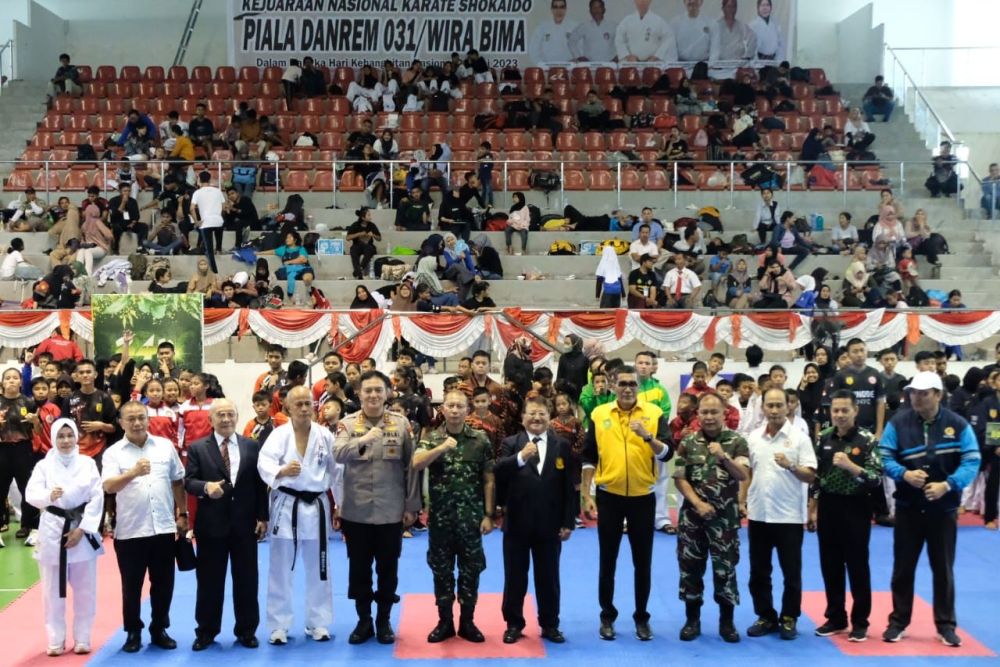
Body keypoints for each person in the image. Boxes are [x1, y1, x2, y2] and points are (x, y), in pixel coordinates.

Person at [880, 372, 981, 647]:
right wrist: (903, 474)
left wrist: (947, 485)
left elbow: (972, 460)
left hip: (944, 509)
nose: (916, 397)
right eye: (913, 392)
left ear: (938, 395)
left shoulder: (958, 424)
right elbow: (884, 455)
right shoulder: (898, 422)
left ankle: (946, 625)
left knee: (943, 568)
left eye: (923, 393)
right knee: (903, 568)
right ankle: (898, 622)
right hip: (908, 507)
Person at [581, 365, 673, 641]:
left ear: (638, 386)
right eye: (622, 383)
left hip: (643, 499)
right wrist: (586, 494)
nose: (628, 388)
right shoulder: (598, 414)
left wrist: (648, 436)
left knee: (642, 563)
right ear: (612, 385)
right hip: (609, 497)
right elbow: (589, 457)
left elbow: (668, 454)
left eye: (633, 383)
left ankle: (642, 618)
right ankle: (606, 617)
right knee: (607, 562)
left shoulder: (654, 414)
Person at [333, 371, 421, 645]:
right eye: (367, 390)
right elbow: (338, 453)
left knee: (387, 569)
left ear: (388, 393)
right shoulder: (347, 424)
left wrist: (412, 506)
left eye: (378, 390)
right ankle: (363, 621)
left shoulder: (400, 423)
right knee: (358, 569)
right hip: (356, 512)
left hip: (390, 511)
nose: (373, 395)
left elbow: (412, 467)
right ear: (358, 394)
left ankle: (383, 620)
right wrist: (364, 439)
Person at [101, 401, 187, 653]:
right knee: (132, 585)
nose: (137, 423)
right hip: (130, 530)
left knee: (163, 584)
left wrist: (183, 513)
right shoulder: (113, 452)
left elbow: (177, 481)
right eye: (131, 419)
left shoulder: (164, 446)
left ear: (148, 419)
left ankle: (159, 628)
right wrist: (133, 473)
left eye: (141, 417)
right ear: (121, 422)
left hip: (162, 527)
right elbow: (109, 486)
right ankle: (133, 631)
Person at [256, 386, 339, 645]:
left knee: (320, 568)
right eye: (299, 404)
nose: (304, 408)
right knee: (280, 569)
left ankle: (319, 622)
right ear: (287, 407)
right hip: (286, 505)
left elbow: (337, 472)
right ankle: (278, 625)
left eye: (308, 403)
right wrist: (280, 471)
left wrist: (341, 505)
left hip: (317, 505)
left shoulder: (325, 435)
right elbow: (263, 462)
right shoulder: (278, 435)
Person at [185, 400, 268, 650]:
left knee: (247, 579)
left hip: (245, 524)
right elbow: (189, 481)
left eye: (230, 414)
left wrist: (263, 517)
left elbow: (259, 484)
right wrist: (205, 488)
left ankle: (246, 630)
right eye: (220, 415)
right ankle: (206, 631)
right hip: (210, 525)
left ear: (237, 417)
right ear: (210, 420)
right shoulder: (198, 448)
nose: (226, 419)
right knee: (209, 581)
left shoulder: (251, 446)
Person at [412, 391, 495, 643]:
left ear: (467, 410)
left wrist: (489, 515)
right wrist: (440, 448)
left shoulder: (480, 440)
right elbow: (416, 463)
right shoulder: (432, 437)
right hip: (440, 521)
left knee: (471, 572)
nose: (456, 410)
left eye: (460, 406)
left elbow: (489, 479)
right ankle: (445, 621)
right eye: (451, 406)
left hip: (471, 520)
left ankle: (467, 622)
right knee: (442, 571)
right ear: (443, 409)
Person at [494, 395, 575, 644]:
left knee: (549, 576)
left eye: (541, 413)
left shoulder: (561, 445)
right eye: (532, 413)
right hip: (517, 523)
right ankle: (514, 623)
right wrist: (521, 457)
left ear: (549, 417)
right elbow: (498, 471)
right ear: (522, 418)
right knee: (515, 576)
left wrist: (568, 521)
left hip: (550, 525)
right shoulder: (511, 443)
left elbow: (569, 486)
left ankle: (550, 624)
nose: (537, 417)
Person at [674, 393, 750, 643]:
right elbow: (680, 477)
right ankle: (691, 620)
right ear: (698, 414)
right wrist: (697, 503)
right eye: (704, 412)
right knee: (690, 569)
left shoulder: (737, 441)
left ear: (724, 413)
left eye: (713, 412)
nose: (708, 417)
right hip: (692, 518)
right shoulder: (687, 441)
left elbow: (742, 475)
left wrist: (723, 457)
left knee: (725, 570)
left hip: (725, 520)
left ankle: (726, 622)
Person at [25, 418, 104, 656]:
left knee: (85, 589)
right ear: (53, 438)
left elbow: (97, 496)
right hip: (53, 528)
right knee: (51, 591)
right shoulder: (44, 466)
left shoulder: (87, 463)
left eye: (70, 435)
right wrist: (49, 495)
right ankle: (55, 639)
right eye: (61, 436)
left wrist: (83, 529)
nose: (66, 440)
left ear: (76, 437)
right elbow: (31, 494)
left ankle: (83, 637)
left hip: (81, 527)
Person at [744, 388, 817, 641]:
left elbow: (810, 475)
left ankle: (789, 617)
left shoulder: (800, 438)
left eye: (779, 405)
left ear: (789, 407)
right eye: (769, 405)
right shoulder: (753, 437)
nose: (774, 410)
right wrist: (744, 500)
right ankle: (765, 615)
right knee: (758, 572)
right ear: (762, 408)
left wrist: (791, 466)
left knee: (791, 572)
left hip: (789, 516)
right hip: (759, 514)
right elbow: (748, 472)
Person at [810, 391, 882, 642]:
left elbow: (876, 479)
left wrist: (852, 466)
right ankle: (836, 617)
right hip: (829, 505)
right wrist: (812, 508)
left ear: (855, 411)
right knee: (830, 564)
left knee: (857, 565)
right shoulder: (823, 438)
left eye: (844, 410)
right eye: (835, 410)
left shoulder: (867, 439)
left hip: (856, 506)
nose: (839, 415)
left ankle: (860, 621)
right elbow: (817, 476)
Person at [190, 171, 226, 275]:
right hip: (218, 221)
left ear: (199, 180)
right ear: (210, 180)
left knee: (209, 251)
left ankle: (215, 272)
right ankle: (219, 248)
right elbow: (224, 207)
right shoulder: (217, 191)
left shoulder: (197, 192)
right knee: (219, 231)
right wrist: (220, 216)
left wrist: (197, 222)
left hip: (205, 223)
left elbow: (192, 209)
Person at [710, 0, 757, 69]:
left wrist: (747, 57)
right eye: (729, 6)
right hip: (720, 67)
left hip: (737, 66)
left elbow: (753, 38)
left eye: (734, 6)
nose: (732, 9)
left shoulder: (741, 26)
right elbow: (709, 47)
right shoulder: (716, 26)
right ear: (723, 8)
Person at [528, 0, 578, 65]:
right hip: (547, 69)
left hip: (569, 69)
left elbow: (581, 48)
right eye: (555, 7)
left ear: (565, 9)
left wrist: (575, 62)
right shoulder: (542, 28)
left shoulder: (574, 27)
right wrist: (542, 65)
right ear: (551, 9)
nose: (558, 10)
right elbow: (533, 50)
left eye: (561, 7)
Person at [347, 207, 381, 280]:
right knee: (353, 251)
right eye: (368, 215)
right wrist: (359, 234)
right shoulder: (355, 225)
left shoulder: (372, 225)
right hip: (357, 245)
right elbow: (348, 238)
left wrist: (373, 235)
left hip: (368, 245)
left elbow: (379, 238)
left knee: (370, 250)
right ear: (363, 217)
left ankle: (359, 269)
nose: (370, 217)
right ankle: (359, 272)